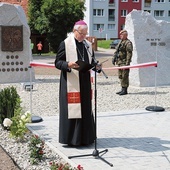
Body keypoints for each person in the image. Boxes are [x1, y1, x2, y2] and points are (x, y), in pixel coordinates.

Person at [55, 20, 101, 146]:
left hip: (85, 82)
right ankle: (71, 139)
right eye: (82, 33)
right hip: (70, 81)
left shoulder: (87, 44)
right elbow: (57, 63)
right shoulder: (65, 44)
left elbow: (92, 61)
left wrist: (97, 66)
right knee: (73, 109)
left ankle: (86, 138)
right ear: (75, 31)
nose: (84, 36)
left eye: (85, 34)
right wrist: (68, 64)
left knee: (85, 109)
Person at [112, 30, 133, 95]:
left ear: (125, 35)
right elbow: (117, 51)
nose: (120, 36)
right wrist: (114, 58)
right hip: (119, 62)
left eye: (122, 35)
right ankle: (122, 88)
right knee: (120, 75)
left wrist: (127, 63)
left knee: (125, 76)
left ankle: (125, 89)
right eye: (120, 35)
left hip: (124, 62)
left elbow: (129, 53)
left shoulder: (128, 43)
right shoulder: (120, 42)